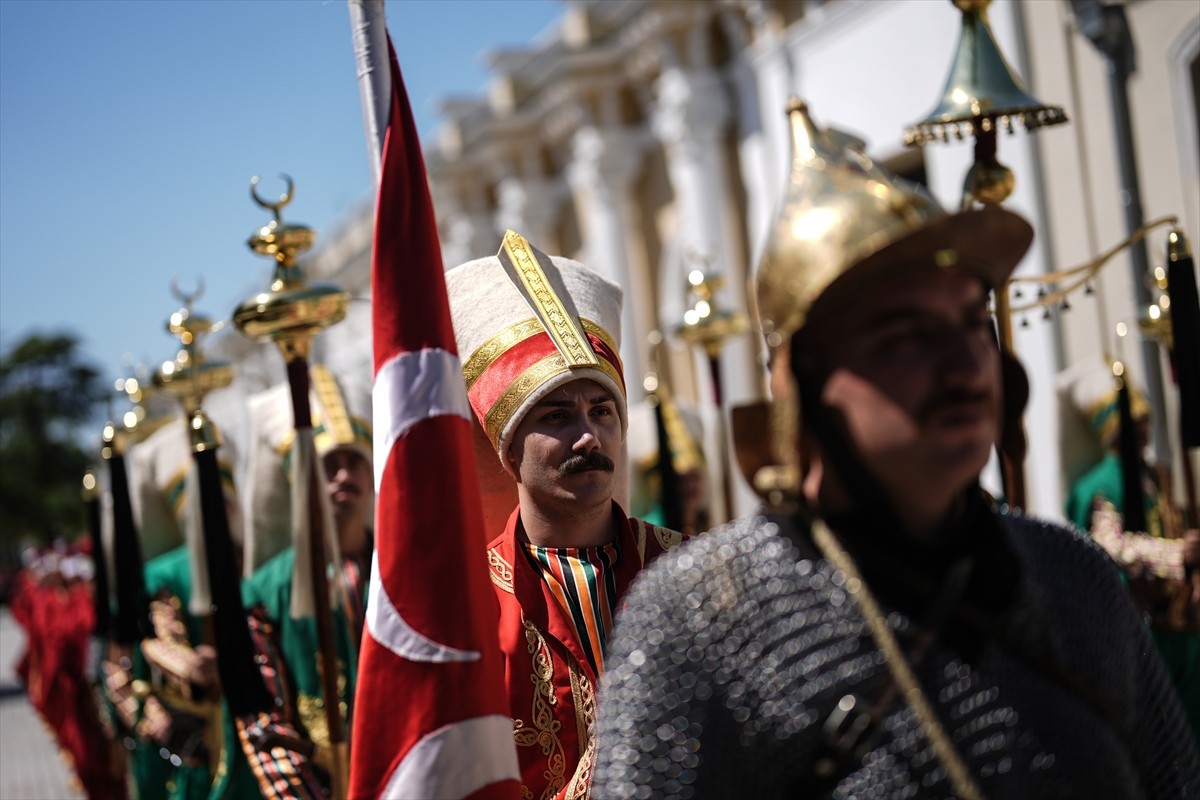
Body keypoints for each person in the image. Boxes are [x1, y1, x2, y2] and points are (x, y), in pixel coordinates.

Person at [590, 101, 1200, 798]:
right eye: (905, 335)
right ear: (803, 384)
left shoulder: (1074, 581)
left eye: (972, 323)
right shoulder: (700, 622)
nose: (964, 364)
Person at [445, 230, 688, 800]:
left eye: (602, 410)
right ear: (508, 448)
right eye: (556, 416)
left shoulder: (695, 572)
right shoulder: (467, 608)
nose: (587, 435)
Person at [238, 365, 373, 799]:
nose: (343, 476)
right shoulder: (263, 591)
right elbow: (261, 711)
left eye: (355, 461)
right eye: (328, 464)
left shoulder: (406, 568)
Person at [1063, 362, 1200, 744]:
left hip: (1181, 625)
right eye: (1134, 420)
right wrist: (1176, 556)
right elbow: (1111, 546)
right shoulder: (1099, 485)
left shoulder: (1156, 476)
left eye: (1145, 419)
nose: (1143, 427)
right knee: (1158, 740)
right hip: (1140, 632)